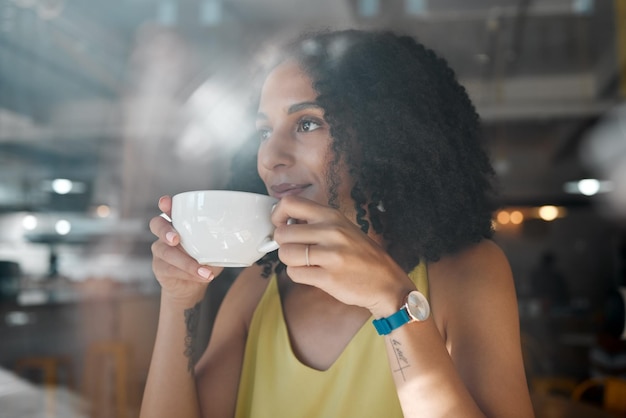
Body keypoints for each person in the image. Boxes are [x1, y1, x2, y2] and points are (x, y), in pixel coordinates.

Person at [140, 29, 534, 417]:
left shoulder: (468, 273)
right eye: (264, 131)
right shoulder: (258, 289)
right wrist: (178, 300)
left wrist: (391, 300)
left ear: (384, 136)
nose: (270, 156)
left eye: (307, 123)